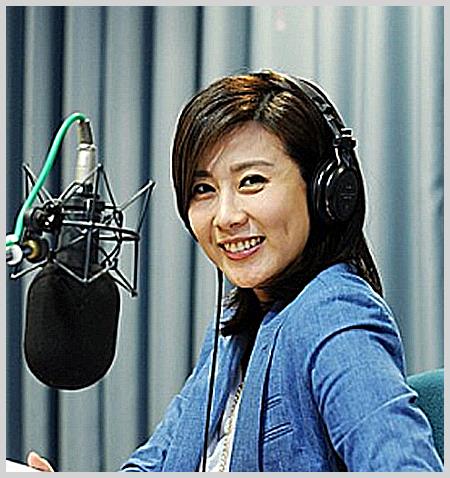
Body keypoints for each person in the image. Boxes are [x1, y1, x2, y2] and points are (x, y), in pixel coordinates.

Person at [27, 69, 443, 472]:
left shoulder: (335, 313)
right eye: (203, 190)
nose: (225, 216)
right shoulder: (233, 326)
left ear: (325, 190)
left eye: (252, 181)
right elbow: (157, 461)